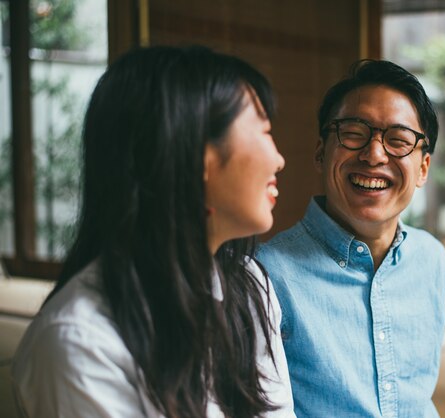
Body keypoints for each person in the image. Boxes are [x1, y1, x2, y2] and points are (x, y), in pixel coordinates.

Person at [12, 45, 295, 418]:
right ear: (196, 156)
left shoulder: (248, 287)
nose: (279, 159)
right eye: (264, 131)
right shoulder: (81, 342)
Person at [257, 59, 445, 418]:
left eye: (398, 141)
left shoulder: (432, 259)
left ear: (423, 169)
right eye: (354, 133)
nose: (374, 155)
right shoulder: (268, 274)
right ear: (320, 152)